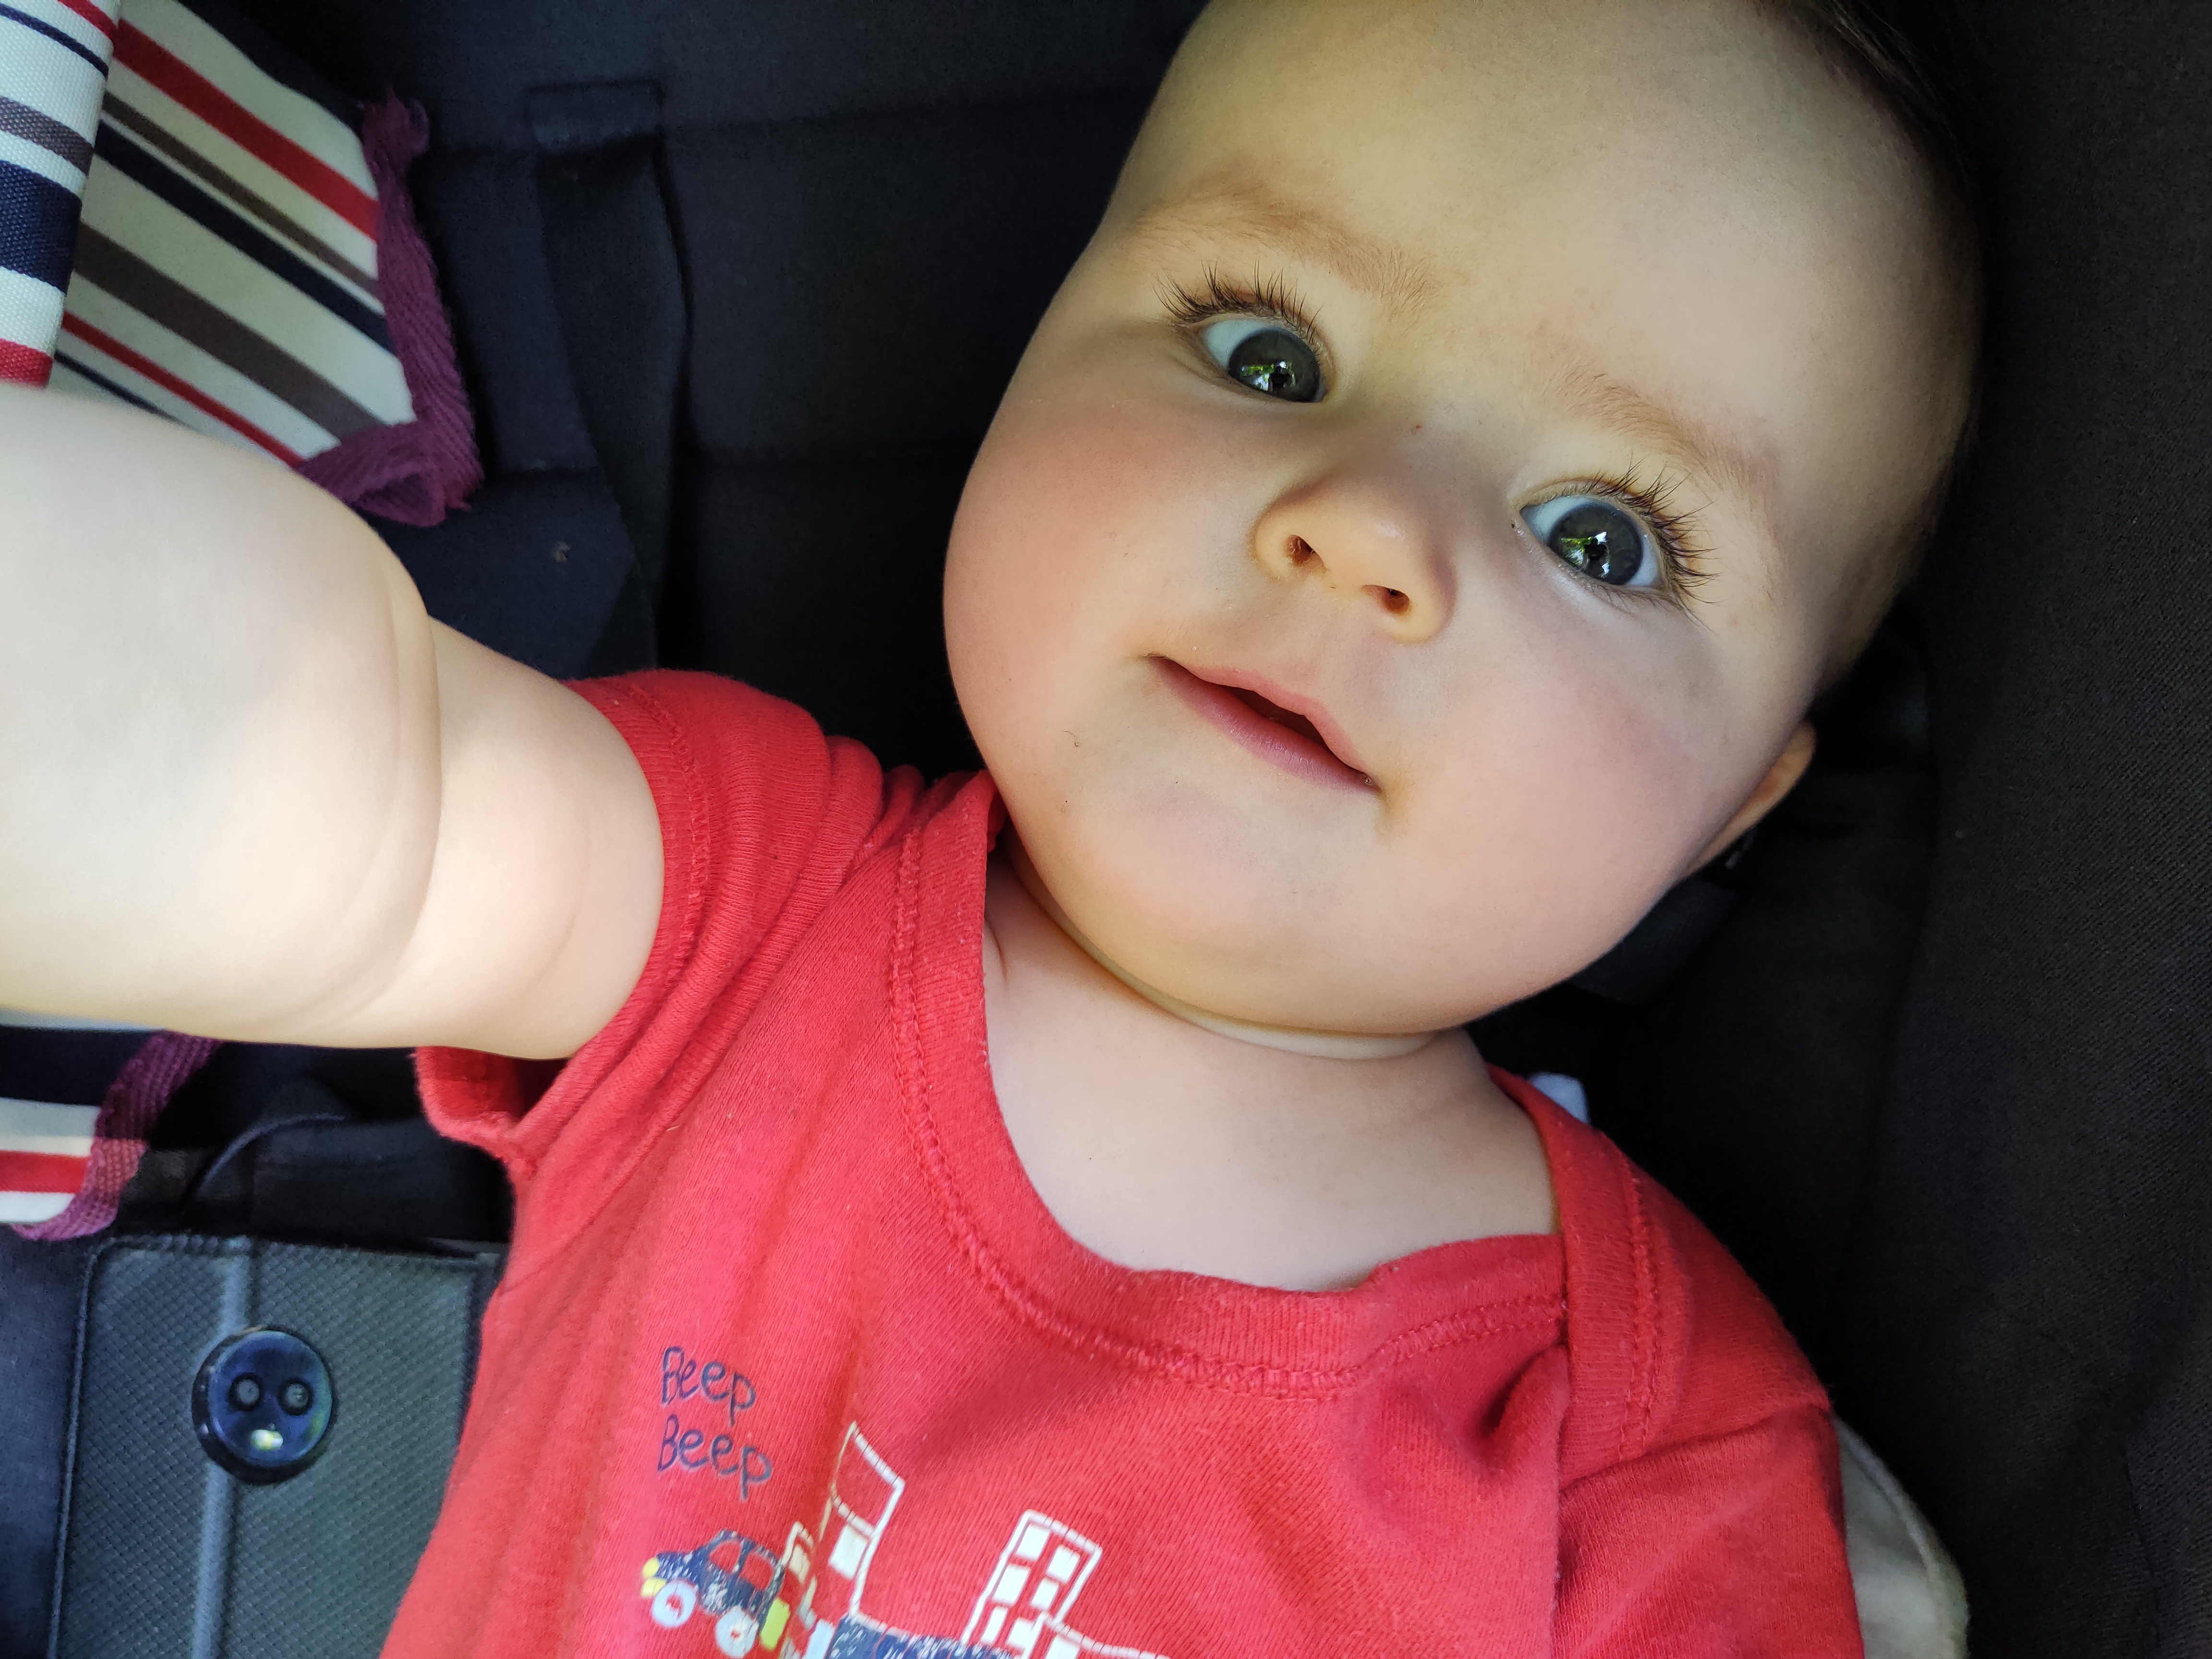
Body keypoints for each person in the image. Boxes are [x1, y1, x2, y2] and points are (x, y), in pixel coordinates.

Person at [0, 0, 1979, 1651]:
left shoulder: (1647, 1443)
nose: (1368, 527)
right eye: (1268, 351)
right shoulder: (747, 906)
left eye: (1602, 537)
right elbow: (353, 790)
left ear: (1736, 804)